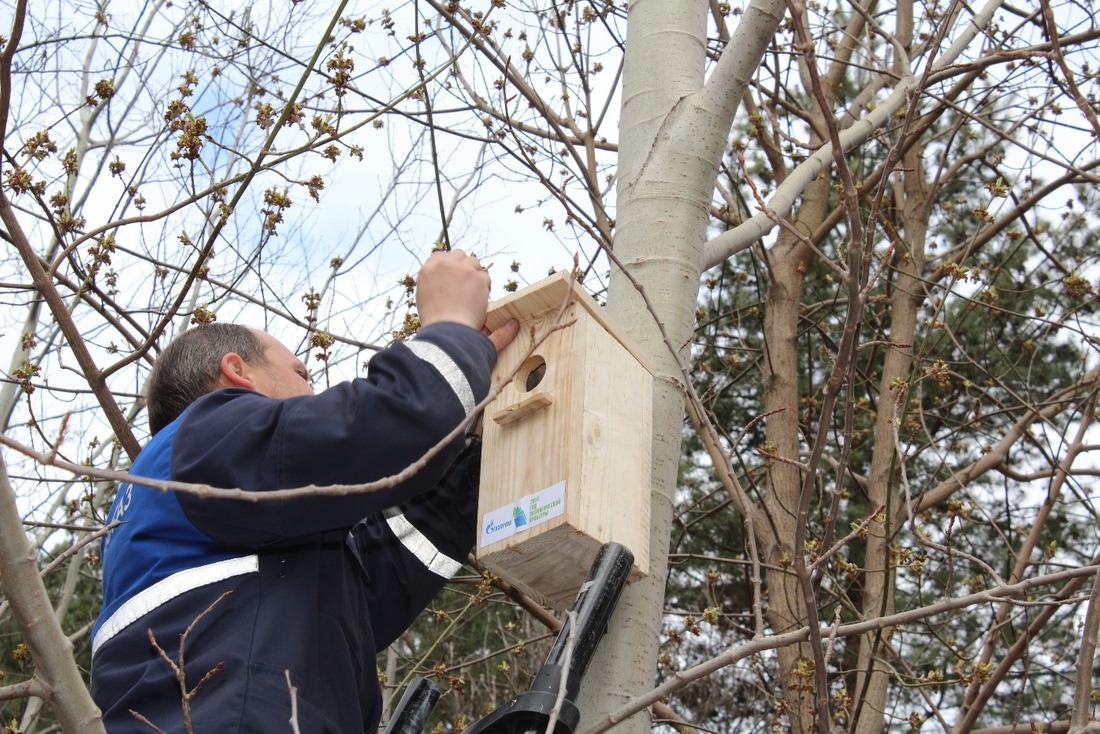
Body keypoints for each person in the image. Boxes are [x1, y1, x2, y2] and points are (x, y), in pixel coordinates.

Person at [90, 249, 519, 733]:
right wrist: (452, 326)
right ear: (238, 373)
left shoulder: (196, 516)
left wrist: (472, 448)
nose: (315, 394)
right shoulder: (203, 441)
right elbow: (386, 427)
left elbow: (375, 586)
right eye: (301, 373)